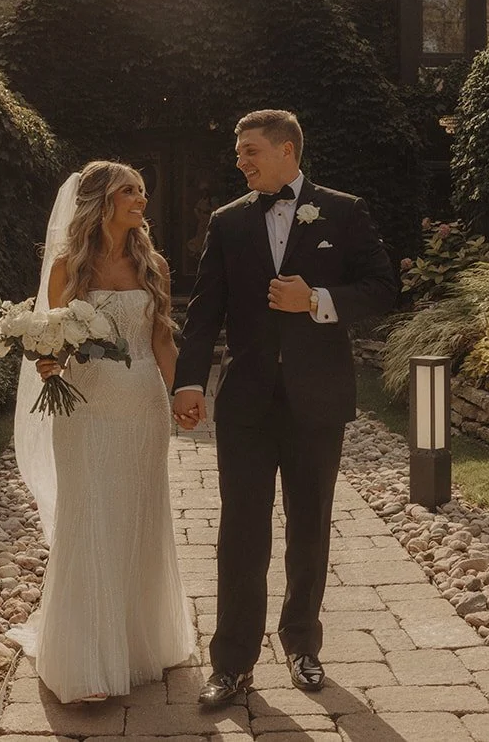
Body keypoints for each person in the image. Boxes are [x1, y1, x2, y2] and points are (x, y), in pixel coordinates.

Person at [172, 109, 397, 707]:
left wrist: (315, 300)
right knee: (240, 532)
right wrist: (187, 382)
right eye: (239, 153)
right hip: (245, 403)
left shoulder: (343, 211)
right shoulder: (227, 223)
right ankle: (233, 664)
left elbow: (382, 286)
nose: (240, 161)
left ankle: (302, 645)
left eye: (250, 151)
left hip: (317, 401)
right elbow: (204, 310)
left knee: (309, 527)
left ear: (286, 150)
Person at [11, 161, 195, 703]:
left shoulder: (153, 262)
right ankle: (85, 663)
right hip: (85, 409)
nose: (141, 199)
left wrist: (183, 393)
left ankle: (139, 644)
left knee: (139, 515)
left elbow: (161, 339)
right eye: (129, 191)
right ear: (100, 202)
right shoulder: (68, 266)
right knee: (88, 516)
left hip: (142, 405)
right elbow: (53, 338)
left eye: (142, 190)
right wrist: (46, 362)